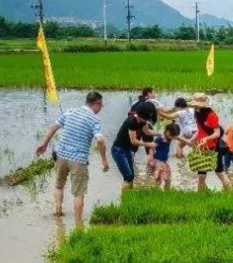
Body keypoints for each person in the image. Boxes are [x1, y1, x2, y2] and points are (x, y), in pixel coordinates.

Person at [35, 91, 110, 223]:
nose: (100, 108)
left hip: (60, 154)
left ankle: (58, 214)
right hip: (78, 160)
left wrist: (44, 144)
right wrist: (104, 160)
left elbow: (53, 127)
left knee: (59, 186)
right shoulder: (94, 119)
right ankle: (78, 224)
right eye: (101, 105)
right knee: (78, 193)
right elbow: (99, 140)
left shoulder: (70, 112)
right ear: (95, 104)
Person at [110, 101, 158, 189]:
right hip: (118, 151)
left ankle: (130, 196)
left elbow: (147, 131)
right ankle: (124, 198)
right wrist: (149, 144)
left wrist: (161, 134)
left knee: (131, 176)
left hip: (127, 150)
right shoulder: (131, 121)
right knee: (128, 177)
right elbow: (134, 141)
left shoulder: (142, 121)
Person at [190, 94, 232, 191]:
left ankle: (231, 193)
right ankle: (199, 197)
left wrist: (206, 139)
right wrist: (194, 137)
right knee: (201, 176)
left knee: (220, 173)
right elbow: (199, 130)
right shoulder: (196, 113)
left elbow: (217, 133)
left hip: (213, 147)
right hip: (201, 148)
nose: (196, 107)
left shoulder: (211, 115)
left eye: (198, 105)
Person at [148, 122, 188, 190]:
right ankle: (154, 193)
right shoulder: (160, 139)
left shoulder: (169, 138)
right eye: (172, 135)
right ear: (167, 131)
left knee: (168, 179)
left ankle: (166, 192)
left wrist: (188, 141)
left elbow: (178, 138)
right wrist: (151, 159)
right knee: (159, 180)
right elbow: (151, 148)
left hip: (164, 162)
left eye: (173, 136)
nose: (173, 138)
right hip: (157, 161)